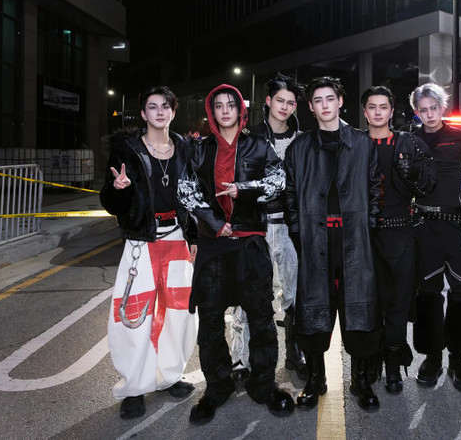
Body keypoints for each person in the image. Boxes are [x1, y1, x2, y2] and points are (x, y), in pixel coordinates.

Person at [177, 84, 294, 425]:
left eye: (231, 104)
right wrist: (215, 224)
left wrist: (243, 189)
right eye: (219, 105)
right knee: (211, 321)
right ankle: (217, 387)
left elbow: (278, 182)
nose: (225, 110)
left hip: (251, 243)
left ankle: (263, 384)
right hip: (214, 246)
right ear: (211, 111)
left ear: (240, 110)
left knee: (261, 318)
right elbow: (186, 191)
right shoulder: (200, 149)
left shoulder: (258, 144)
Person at [284, 76, 382, 411]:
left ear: (340, 101)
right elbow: (290, 197)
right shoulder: (299, 149)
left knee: (360, 309)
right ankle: (315, 380)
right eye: (318, 101)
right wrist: (299, 235)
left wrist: (369, 229)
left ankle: (361, 380)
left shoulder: (363, 143)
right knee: (313, 311)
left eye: (330, 99)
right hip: (315, 240)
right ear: (310, 107)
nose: (325, 105)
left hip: (355, 239)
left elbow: (375, 189)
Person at [100, 86, 198, 420]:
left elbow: (193, 196)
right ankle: (135, 387)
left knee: (179, 313)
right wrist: (119, 190)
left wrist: (194, 236)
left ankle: (169, 375)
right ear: (143, 113)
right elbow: (110, 201)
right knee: (134, 314)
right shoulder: (126, 149)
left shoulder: (185, 147)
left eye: (165, 106)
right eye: (152, 107)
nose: (159, 112)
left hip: (178, 239)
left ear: (173, 111)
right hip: (141, 241)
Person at [228, 74, 308, 382]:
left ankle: (294, 353)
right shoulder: (249, 138)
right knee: (248, 295)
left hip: (290, 226)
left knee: (295, 294)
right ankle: (240, 360)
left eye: (291, 102)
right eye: (280, 101)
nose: (285, 107)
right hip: (256, 226)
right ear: (268, 101)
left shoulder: (303, 140)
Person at [361, 86, 436, 393]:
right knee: (369, 304)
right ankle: (371, 361)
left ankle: (393, 366)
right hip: (365, 236)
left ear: (392, 111)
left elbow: (429, 185)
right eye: (372, 107)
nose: (378, 112)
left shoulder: (411, 143)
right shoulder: (354, 144)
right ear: (365, 112)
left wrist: (413, 174)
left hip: (402, 233)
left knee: (399, 304)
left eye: (384, 107)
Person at [409, 82, 461, 392]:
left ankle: (458, 358)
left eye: (434, 108)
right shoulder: (410, 140)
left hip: (457, 226)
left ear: (443, 107)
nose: (429, 114)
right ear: (417, 111)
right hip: (423, 226)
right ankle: (432, 357)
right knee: (428, 293)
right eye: (423, 110)